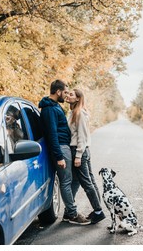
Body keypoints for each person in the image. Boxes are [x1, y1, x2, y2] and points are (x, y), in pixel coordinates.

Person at [39, 80, 91, 225]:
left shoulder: (55, 106)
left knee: (74, 180)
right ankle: (72, 214)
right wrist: (59, 156)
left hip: (65, 147)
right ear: (58, 92)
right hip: (61, 148)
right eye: (65, 92)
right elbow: (52, 134)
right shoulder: (49, 109)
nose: (66, 95)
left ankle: (69, 211)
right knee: (66, 181)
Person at [66, 88, 105, 224]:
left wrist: (78, 155)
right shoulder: (73, 112)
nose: (68, 96)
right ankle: (95, 211)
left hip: (79, 151)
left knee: (86, 183)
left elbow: (82, 136)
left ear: (77, 98)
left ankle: (98, 211)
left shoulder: (79, 114)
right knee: (89, 181)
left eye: (71, 94)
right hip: (83, 151)